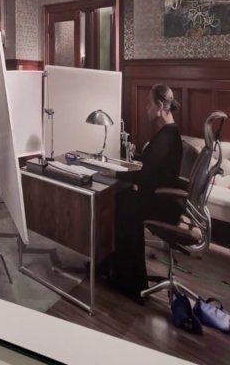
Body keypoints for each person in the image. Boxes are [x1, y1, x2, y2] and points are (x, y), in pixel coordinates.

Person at [99, 83, 184, 300]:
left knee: (124, 204)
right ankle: (118, 266)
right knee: (124, 198)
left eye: (148, 104)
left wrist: (115, 173)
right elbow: (152, 169)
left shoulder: (166, 136)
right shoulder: (169, 134)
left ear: (160, 106)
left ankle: (130, 281)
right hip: (161, 199)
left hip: (162, 204)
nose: (146, 108)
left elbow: (146, 176)